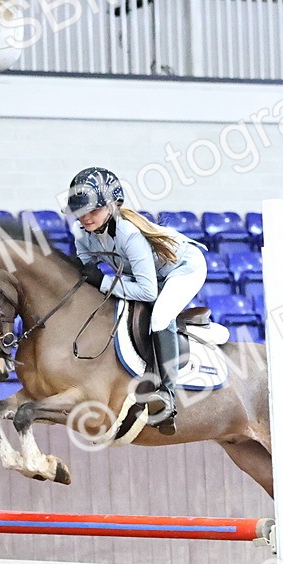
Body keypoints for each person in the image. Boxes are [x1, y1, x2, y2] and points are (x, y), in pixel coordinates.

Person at [65, 167, 207, 434]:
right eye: (80, 212)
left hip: (183, 269)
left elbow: (148, 292)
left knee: (161, 316)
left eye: (92, 211)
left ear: (112, 206)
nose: (85, 217)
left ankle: (166, 395)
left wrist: (104, 282)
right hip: (149, 277)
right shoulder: (81, 233)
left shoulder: (129, 234)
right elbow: (85, 271)